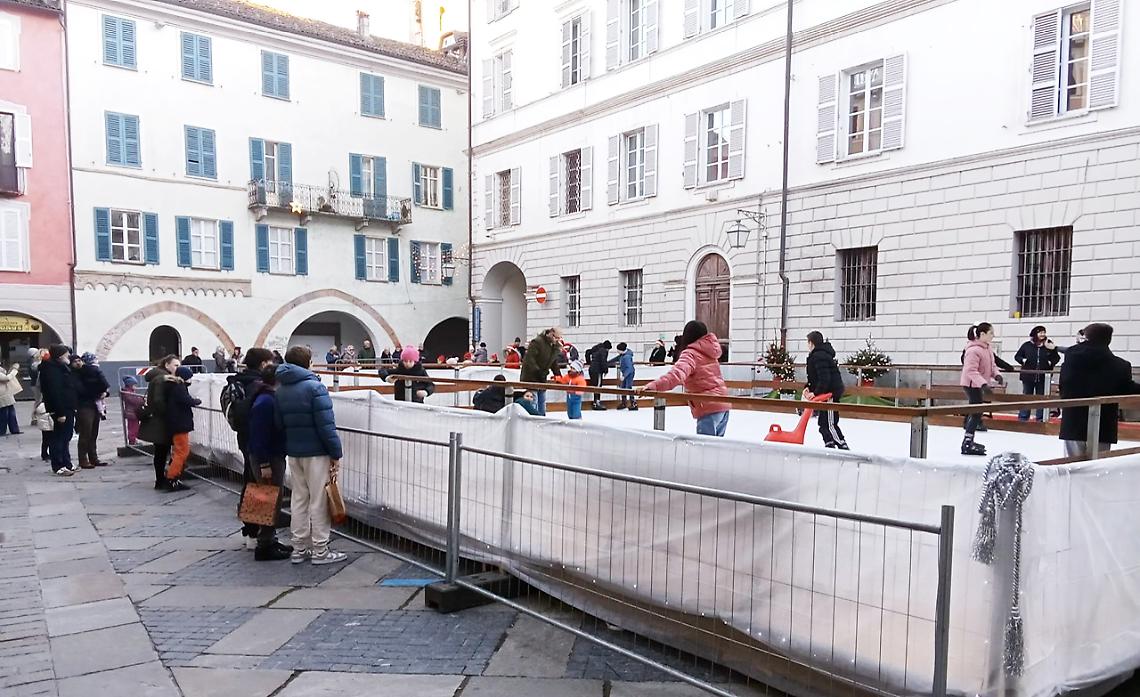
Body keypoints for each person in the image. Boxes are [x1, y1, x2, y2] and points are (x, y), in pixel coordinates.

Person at [276, 346, 348, 565]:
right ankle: (320, 550)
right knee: (318, 501)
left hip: (294, 452)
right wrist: (336, 453)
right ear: (307, 362)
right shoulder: (315, 388)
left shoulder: (280, 389)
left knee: (299, 499)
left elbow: (279, 424)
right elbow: (327, 425)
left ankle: (298, 548)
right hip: (316, 452)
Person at [1059, 323, 1140, 458]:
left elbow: (1064, 385)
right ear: (1109, 340)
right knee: (1098, 468)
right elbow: (1126, 389)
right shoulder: (1120, 365)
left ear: (1087, 337)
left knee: (1070, 467)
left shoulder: (1071, 358)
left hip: (1073, 419)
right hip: (1103, 423)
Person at [639, 321, 731, 437]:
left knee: (704, 450)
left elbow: (676, 375)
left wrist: (653, 386)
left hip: (708, 406)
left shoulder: (690, 354)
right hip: (723, 404)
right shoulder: (710, 351)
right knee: (715, 450)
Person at [225, 348, 277, 548]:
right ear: (263, 364)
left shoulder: (238, 380)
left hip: (244, 437)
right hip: (259, 441)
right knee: (260, 487)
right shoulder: (259, 385)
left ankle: (250, 531)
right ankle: (258, 533)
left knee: (250, 482)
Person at [246, 365, 293, 561]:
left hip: (268, 455)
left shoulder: (264, 397)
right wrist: (264, 463)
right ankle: (264, 544)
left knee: (266, 497)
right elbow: (259, 435)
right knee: (268, 499)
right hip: (268, 457)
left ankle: (268, 540)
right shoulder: (266, 402)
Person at [960, 323, 1003, 456]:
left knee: (977, 411)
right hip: (971, 384)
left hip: (978, 383)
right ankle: (967, 442)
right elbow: (970, 371)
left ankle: (968, 440)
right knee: (976, 412)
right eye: (991, 333)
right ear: (982, 334)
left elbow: (992, 365)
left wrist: (997, 375)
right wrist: (983, 384)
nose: (993, 335)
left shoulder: (987, 348)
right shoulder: (973, 350)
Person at [39, 345, 81, 476]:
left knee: (66, 437)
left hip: (67, 407)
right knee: (59, 438)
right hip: (61, 409)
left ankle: (67, 463)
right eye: (67, 354)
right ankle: (58, 465)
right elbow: (55, 392)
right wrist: (60, 412)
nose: (69, 356)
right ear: (60, 356)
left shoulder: (61, 367)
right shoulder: (51, 370)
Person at [140, 355, 181, 487]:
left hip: (158, 421)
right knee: (161, 452)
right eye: (175, 365)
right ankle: (160, 480)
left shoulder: (158, 377)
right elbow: (158, 401)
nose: (177, 368)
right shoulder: (162, 379)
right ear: (167, 365)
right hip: (160, 421)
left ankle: (161, 478)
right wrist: (168, 412)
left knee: (161, 452)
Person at [803, 332, 848, 450]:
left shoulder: (819, 356)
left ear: (811, 343)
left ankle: (842, 445)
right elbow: (815, 377)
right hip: (824, 393)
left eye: (808, 342)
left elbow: (825, 378)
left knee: (829, 423)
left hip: (829, 394)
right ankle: (829, 445)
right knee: (823, 424)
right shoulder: (817, 356)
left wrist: (816, 392)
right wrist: (808, 387)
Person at [163, 366, 200, 490]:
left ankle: (172, 475)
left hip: (176, 423)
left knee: (178, 451)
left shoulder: (173, 386)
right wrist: (196, 401)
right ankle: (172, 478)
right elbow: (186, 400)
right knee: (182, 452)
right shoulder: (179, 388)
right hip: (180, 424)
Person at [1014, 326, 1060, 422]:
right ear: (1035, 333)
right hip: (1028, 376)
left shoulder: (1048, 345)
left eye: (1044, 332)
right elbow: (1017, 356)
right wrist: (1023, 360)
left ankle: (1040, 418)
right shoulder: (1027, 345)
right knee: (1027, 396)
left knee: (1041, 397)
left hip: (1043, 377)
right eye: (1040, 332)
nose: (1042, 334)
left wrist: (1051, 362)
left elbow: (1056, 357)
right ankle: (1023, 417)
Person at [75, 352, 111, 468]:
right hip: (85, 405)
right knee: (86, 432)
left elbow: (104, 386)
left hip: (93, 404)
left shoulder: (88, 372)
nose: (78, 363)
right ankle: (83, 459)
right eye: (75, 361)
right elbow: (81, 390)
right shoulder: (78, 374)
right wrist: (99, 392)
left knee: (93, 433)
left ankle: (93, 458)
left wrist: (104, 392)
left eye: (79, 361)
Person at [520, 328, 563, 416]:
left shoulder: (554, 346)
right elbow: (529, 360)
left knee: (542, 401)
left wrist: (558, 374)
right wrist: (538, 371)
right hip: (531, 376)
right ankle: (533, 419)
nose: (557, 340)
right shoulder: (537, 342)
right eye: (556, 337)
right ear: (551, 334)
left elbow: (553, 361)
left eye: (559, 338)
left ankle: (542, 418)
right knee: (533, 400)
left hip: (542, 377)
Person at [586, 340, 614, 411]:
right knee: (598, 386)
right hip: (597, 370)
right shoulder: (603, 351)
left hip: (592, 369)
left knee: (595, 386)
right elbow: (603, 361)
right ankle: (596, 402)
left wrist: (589, 362)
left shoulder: (596, 348)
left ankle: (596, 402)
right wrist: (606, 370)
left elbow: (587, 352)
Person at [0, 362, 22, 435]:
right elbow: (6, 378)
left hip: (6, 392)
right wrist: (14, 370)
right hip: (2, 394)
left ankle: (14, 429)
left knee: (11, 412)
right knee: (4, 413)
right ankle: (2, 430)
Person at [121, 375, 144, 445]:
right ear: (130, 385)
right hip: (131, 413)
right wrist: (141, 400)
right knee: (133, 428)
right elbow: (133, 400)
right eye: (134, 385)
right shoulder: (127, 392)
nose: (135, 386)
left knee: (135, 427)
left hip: (134, 412)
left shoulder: (131, 392)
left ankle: (134, 440)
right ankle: (132, 440)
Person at [615, 342, 637, 410]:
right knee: (623, 387)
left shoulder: (627, 357)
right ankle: (624, 402)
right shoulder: (622, 355)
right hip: (625, 373)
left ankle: (633, 403)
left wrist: (624, 376)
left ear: (621, 350)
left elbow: (629, 368)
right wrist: (607, 363)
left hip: (629, 374)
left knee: (628, 387)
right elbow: (616, 359)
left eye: (618, 350)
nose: (617, 351)